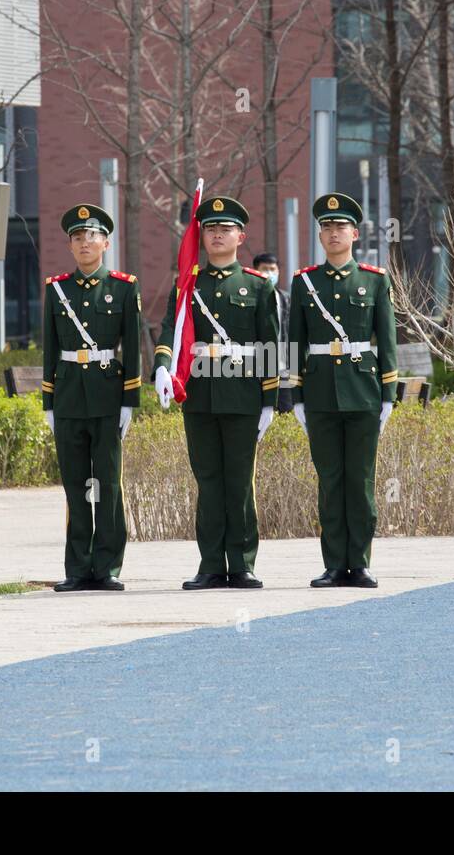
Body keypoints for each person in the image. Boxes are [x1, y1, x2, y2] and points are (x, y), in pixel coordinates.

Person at [153, 196, 280, 590]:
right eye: (210, 228)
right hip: (200, 394)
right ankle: (210, 564)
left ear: (240, 236)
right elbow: (169, 331)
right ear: (201, 235)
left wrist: (269, 401)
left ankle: (241, 563)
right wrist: (161, 366)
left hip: (242, 395)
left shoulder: (257, 287)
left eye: (226, 229)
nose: (218, 235)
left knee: (239, 481)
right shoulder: (188, 285)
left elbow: (269, 345)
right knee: (208, 480)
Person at [288, 192, 398, 589]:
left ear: (354, 233)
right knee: (330, 481)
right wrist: (295, 395)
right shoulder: (305, 282)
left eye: (340, 227)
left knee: (361, 480)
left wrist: (389, 394)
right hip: (319, 394)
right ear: (320, 235)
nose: (333, 233)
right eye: (326, 227)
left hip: (363, 391)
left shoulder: (374, 279)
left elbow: (386, 340)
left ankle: (361, 561)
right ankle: (335, 563)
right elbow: (294, 342)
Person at [42, 203, 142, 592]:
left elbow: (132, 347)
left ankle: (108, 567)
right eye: (77, 237)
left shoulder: (123, 286)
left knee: (108, 485)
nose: (85, 243)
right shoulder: (57, 289)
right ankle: (78, 569)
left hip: (106, 396)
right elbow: (50, 349)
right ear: (69, 246)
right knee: (75, 485)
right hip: (68, 397)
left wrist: (130, 401)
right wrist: (49, 402)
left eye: (92, 236)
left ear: (106, 242)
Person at [252, 252, 294, 413]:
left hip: (284, 367)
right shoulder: (248, 298)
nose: (269, 273)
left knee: (286, 411)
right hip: (255, 368)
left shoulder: (286, 298)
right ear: (256, 271)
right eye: (264, 269)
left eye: (272, 269)